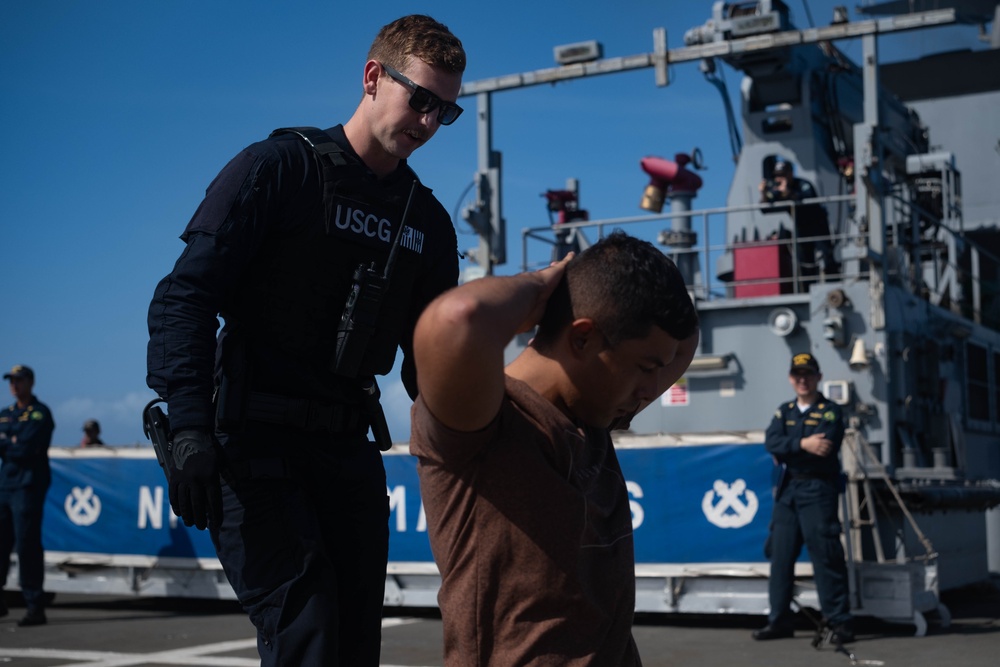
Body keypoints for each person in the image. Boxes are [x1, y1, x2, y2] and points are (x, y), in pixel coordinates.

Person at [145, 15, 466, 665]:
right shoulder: (278, 170)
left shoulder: (427, 223)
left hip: (345, 450)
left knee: (351, 646)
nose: (429, 123)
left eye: (446, 113)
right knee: (306, 630)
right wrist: (188, 429)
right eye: (421, 100)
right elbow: (184, 298)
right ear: (374, 77)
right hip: (250, 443)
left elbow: (430, 367)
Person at [410, 231, 700, 665]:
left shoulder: (595, 409)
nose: (651, 390)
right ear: (582, 340)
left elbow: (686, 339)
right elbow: (459, 315)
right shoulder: (482, 423)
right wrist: (540, 284)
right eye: (645, 368)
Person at [753, 352, 855, 644]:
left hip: (817, 490)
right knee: (780, 559)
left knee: (826, 557)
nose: (802, 379)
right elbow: (771, 443)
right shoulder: (783, 411)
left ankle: (840, 622)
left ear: (818, 377)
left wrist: (791, 448)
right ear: (790, 378)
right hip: (788, 492)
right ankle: (780, 621)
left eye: (808, 374)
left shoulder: (831, 411)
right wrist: (803, 443)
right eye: (797, 374)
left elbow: (824, 448)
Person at [0, 364, 54, 627]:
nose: (14, 385)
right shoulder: (5, 414)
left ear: (30, 382)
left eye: (19, 380)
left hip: (28, 487)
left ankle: (34, 605)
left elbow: (27, 448)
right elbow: (10, 447)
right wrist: (12, 443)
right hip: (5, 486)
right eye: (11, 380)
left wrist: (10, 443)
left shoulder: (39, 414)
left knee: (26, 545)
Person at [759, 159, 839, 280]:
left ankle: (833, 282)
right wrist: (763, 194)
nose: (779, 179)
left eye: (782, 175)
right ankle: (808, 289)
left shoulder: (803, 184)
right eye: (777, 176)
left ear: (790, 173)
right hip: (801, 227)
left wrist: (789, 193)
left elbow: (808, 198)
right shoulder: (778, 190)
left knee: (826, 256)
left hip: (817, 225)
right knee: (804, 261)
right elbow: (765, 208)